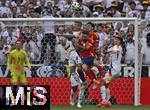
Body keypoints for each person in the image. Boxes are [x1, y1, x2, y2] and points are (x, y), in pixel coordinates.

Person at [97, 36, 122, 107]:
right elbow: (104, 52)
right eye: (115, 39)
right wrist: (106, 45)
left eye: (117, 39)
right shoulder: (113, 47)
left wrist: (106, 45)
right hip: (111, 70)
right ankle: (107, 102)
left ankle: (104, 101)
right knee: (106, 84)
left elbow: (107, 51)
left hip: (115, 70)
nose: (115, 41)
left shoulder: (118, 47)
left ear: (120, 42)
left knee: (102, 82)